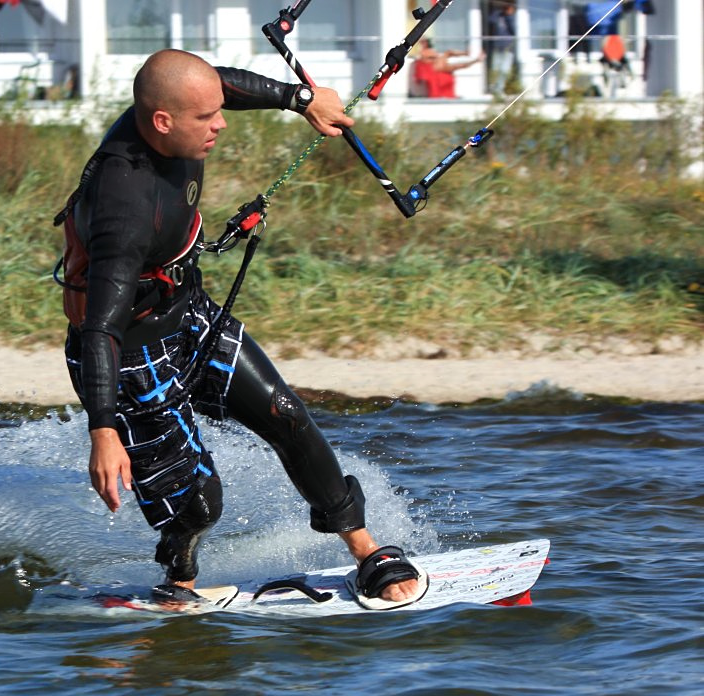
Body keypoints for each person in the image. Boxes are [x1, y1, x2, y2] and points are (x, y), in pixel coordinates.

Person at [54, 49, 426, 607]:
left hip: (188, 313)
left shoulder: (171, 113)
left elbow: (215, 84)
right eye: (206, 119)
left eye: (218, 110)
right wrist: (103, 432)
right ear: (163, 122)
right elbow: (100, 329)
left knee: (285, 414)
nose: (221, 123)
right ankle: (177, 581)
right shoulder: (122, 203)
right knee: (201, 503)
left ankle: (367, 550)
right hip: (129, 358)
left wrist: (300, 100)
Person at [413, 39, 484, 98]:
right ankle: (475, 60)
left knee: (449, 53)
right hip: (434, 68)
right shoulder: (423, 52)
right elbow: (427, 59)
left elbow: (433, 57)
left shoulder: (427, 51)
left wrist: (436, 58)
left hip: (436, 65)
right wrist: (434, 58)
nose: (423, 43)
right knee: (456, 66)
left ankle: (467, 54)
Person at [487, 1, 516, 96]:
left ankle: (500, 88)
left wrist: (509, 16)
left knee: (505, 69)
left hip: (508, 48)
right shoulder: (498, 16)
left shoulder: (512, 18)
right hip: (497, 47)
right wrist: (498, 11)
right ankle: (493, 88)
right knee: (495, 68)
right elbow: (490, 21)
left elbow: (514, 30)